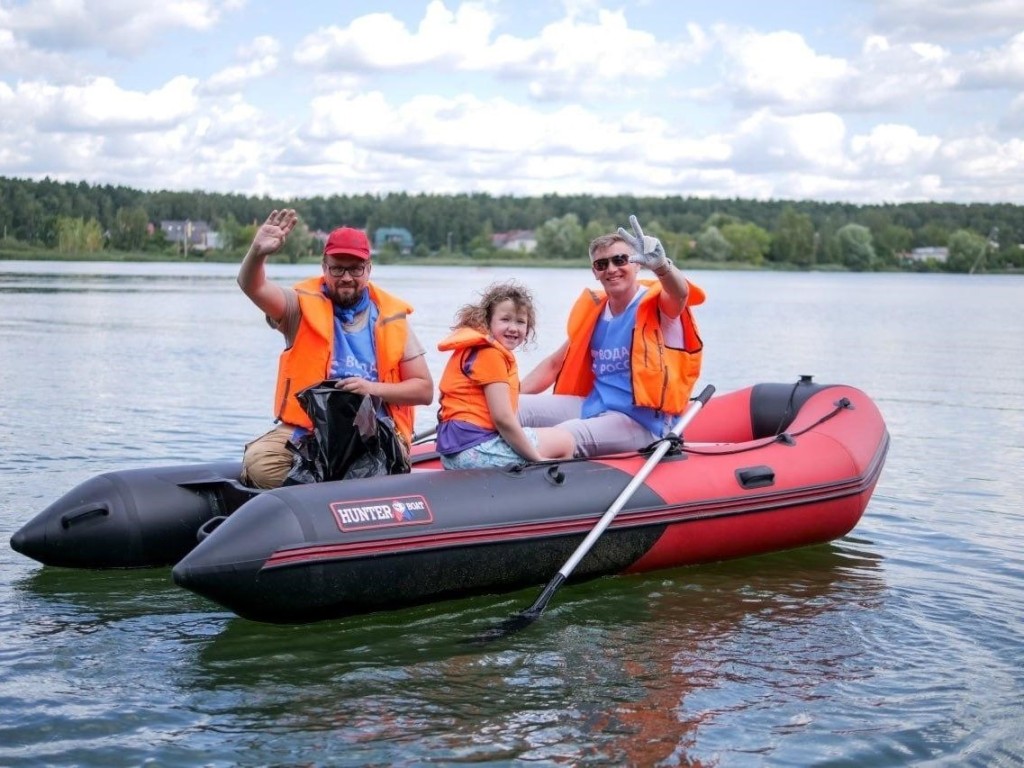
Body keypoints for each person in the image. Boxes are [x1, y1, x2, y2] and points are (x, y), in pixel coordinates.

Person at [237, 209, 434, 488]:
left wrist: (372, 388)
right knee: (259, 464)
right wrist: (257, 252)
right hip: (309, 432)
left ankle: (326, 489)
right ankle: (333, 490)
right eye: (337, 268)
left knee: (374, 468)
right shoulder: (298, 307)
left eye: (355, 269)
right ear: (324, 266)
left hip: (373, 435)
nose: (346, 277)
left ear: (368, 268)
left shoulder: (392, 318)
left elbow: (424, 390)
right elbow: (252, 286)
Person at [517, 215, 705, 457]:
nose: (612, 269)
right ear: (595, 272)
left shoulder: (658, 307)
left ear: (637, 263)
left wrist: (661, 266)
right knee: (508, 407)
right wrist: (505, 396)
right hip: (594, 405)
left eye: (620, 260)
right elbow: (554, 364)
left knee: (563, 434)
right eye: (602, 264)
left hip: (641, 421)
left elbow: (679, 294)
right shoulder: (596, 312)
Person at [436, 281, 575, 469]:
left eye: (520, 322)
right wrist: (536, 458)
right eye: (505, 319)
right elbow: (502, 418)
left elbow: (520, 389)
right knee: (564, 440)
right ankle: (550, 492)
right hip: (472, 451)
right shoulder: (490, 355)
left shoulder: (482, 350)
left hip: (457, 448)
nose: (513, 328)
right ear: (488, 321)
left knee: (549, 437)